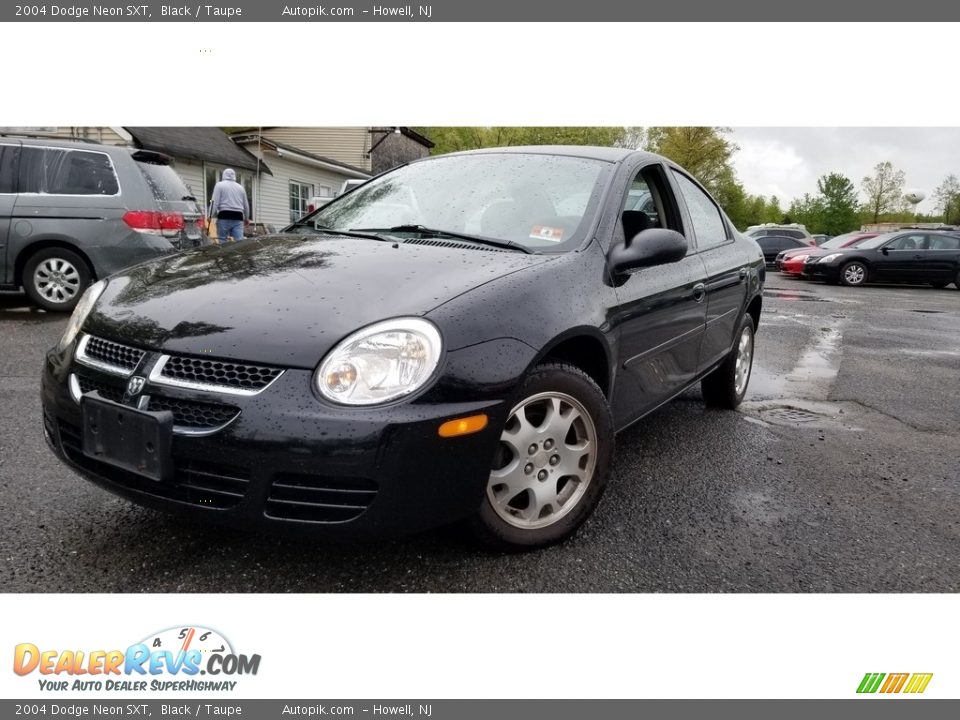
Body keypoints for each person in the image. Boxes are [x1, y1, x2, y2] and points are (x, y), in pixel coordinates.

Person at [209, 168, 250, 242]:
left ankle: (223, 253)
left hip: (224, 215)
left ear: (223, 175)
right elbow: (246, 205)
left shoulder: (219, 185)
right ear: (234, 176)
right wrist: (247, 218)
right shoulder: (241, 188)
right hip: (238, 216)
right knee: (239, 241)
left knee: (222, 240)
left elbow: (213, 202)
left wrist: (210, 215)